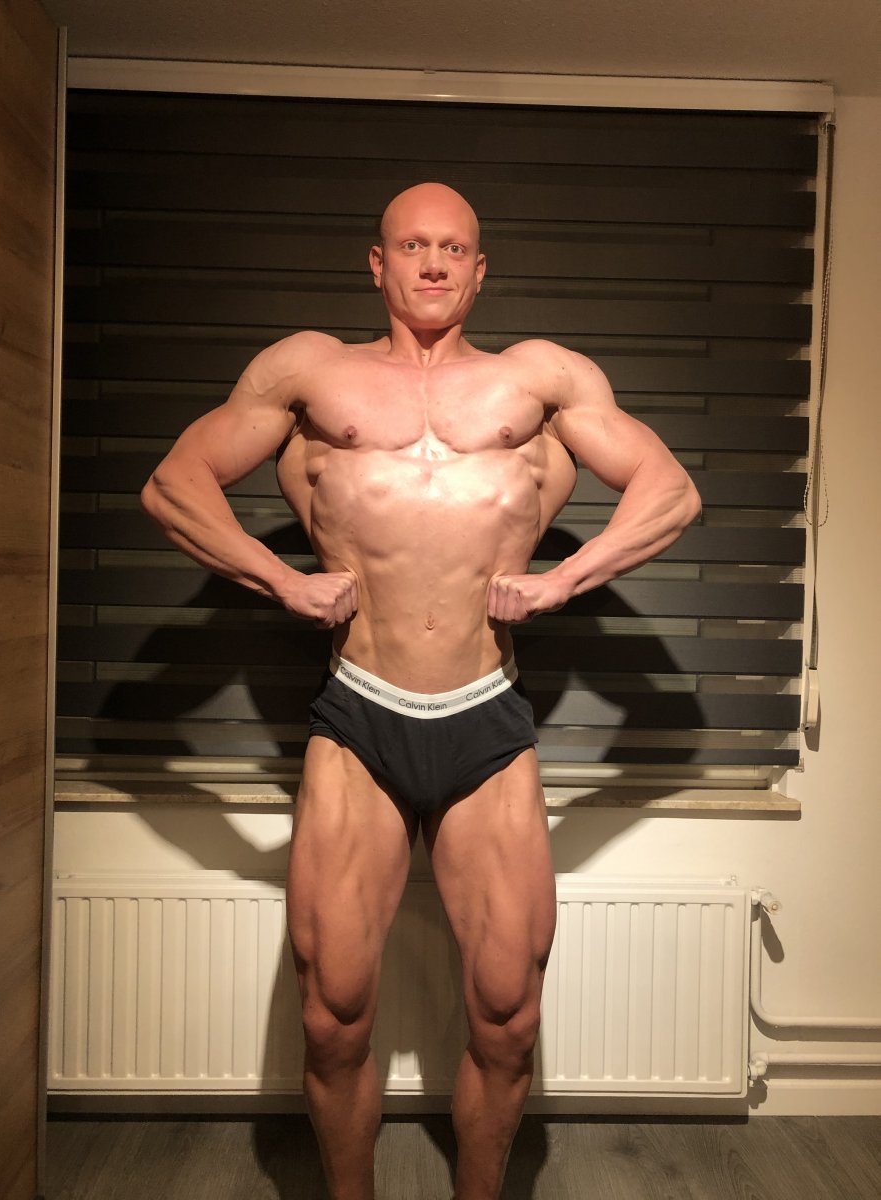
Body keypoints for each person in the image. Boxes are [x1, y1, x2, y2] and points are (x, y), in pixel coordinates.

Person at [141, 182, 701, 1200]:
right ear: (378, 262)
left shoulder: (542, 379)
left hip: (486, 714)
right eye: (412, 246)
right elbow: (174, 484)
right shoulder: (309, 372)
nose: (433, 263)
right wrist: (281, 582)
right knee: (333, 1013)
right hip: (360, 712)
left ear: (480, 270)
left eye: (452, 248)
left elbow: (671, 490)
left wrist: (565, 580)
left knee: (508, 1014)